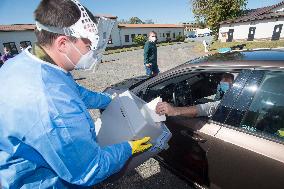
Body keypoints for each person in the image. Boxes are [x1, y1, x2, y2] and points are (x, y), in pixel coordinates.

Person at [0, 0, 152, 188]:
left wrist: (108, 100)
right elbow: (90, 169)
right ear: (63, 43)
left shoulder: (27, 63)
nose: (92, 52)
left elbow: (75, 91)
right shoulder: (53, 106)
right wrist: (127, 148)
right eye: (88, 46)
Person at [156, 73, 234, 117]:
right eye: (222, 82)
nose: (222, 84)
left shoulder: (229, 103)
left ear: (233, 84)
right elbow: (217, 99)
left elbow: (206, 108)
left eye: (227, 82)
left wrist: (175, 110)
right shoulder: (231, 94)